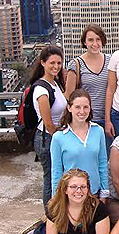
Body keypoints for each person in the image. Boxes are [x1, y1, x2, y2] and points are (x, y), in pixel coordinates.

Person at [51, 89, 109, 202]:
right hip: (72, 195)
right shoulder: (58, 137)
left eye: (86, 107)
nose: (82, 111)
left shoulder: (98, 131)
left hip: (94, 193)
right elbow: (56, 171)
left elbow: (102, 164)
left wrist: (104, 192)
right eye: (77, 107)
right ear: (69, 108)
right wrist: (56, 199)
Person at [30, 45, 68, 208]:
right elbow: (48, 123)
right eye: (52, 63)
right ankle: (50, 213)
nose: (56, 66)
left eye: (59, 63)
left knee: (59, 176)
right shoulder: (41, 89)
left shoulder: (55, 83)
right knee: (51, 177)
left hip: (55, 136)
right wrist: (63, 140)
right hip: (47, 138)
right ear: (43, 63)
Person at [64, 24, 111, 142]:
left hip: (107, 119)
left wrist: (108, 120)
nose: (94, 44)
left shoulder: (111, 61)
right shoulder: (76, 64)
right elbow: (69, 95)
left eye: (98, 39)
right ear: (84, 42)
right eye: (90, 40)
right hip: (84, 120)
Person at [46, 169, 110, 234]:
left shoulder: (98, 208)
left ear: (88, 189)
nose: (79, 191)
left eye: (83, 187)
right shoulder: (54, 208)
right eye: (73, 187)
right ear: (65, 190)